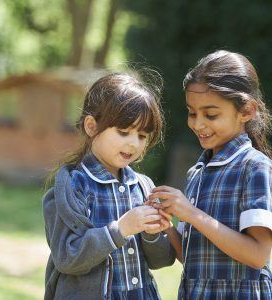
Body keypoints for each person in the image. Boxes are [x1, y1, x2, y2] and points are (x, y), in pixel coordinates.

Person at [149, 50, 272, 299]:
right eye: (192, 113)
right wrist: (167, 228)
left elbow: (257, 255)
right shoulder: (197, 173)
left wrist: (192, 213)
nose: (197, 124)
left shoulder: (255, 167)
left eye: (211, 114)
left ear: (247, 111)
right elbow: (194, 259)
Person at [43, 71, 176, 300]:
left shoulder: (143, 187)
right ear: (91, 126)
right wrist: (121, 229)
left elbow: (162, 261)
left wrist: (153, 235)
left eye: (142, 135)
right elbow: (67, 258)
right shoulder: (71, 187)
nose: (133, 143)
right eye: (123, 132)